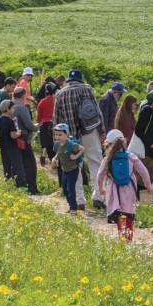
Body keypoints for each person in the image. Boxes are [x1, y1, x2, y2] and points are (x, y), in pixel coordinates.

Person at [53, 69, 105, 211]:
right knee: (96, 163)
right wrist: (102, 132)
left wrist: (57, 141)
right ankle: (98, 196)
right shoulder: (87, 89)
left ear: (68, 81)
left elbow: (56, 119)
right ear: (80, 80)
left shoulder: (60, 94)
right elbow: (97, 112)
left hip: (70, 137)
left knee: (74, 167)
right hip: (89, 131)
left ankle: (79, 200)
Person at [98, 129, 152, 241]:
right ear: (124, 142)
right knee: (128, 212)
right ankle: (129, 237)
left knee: (120, 213)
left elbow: (100, 176)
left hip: (114, 189)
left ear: (108, 144)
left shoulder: (108, 159)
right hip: (129, 188)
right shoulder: (131, 156)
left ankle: (122, 236)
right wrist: (148, 186)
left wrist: (101, 188)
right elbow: (144, 172)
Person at [12, 87, 40, 195]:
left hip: (13, 140)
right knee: (30, 165)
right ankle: (32, 188)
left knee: (17, 164)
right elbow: (29, 125)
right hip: (23, 140)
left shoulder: (9, 106)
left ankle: (19, 186)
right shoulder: (22, 108)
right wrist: (37, 127)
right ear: (23, 96)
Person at [51, 123, 84, 213]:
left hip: (73, 169)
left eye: (60, 135)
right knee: (65, 189)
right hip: (64, 170)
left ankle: (73, 208)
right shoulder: (57, 144)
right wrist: (55, 158)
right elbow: (59, 152)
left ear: (66, 135)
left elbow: (82, 148)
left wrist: (75, 156)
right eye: (56, 134)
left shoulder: (71, 144)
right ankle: (71, 205)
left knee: (71, 188)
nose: (58, 137)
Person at [0, 99, 26, 189]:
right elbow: (13, 135)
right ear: (8, 109)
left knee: (7, 165)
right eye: (12, 108)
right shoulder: (9, 122)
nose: (13, 109)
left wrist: (14, 123)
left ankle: (8, 182)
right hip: (12, 147)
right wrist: (19, 133)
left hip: (3, 146)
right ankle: (21, 185)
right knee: (17, 166)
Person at [37, 82, 58, 166]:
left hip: (44, 123)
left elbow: (39, 115)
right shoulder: (56, 100)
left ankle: (43, 158)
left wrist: (39, 122)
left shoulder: (43, 101)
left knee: (45, 143)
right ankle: (54, 159)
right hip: (54, 123)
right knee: (52, 142)